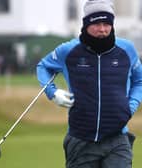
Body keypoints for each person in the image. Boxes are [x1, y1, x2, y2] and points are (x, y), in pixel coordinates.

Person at [36, 0, 142, 167]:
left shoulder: (126, 50)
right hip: (80, 140)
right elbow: (43, 66)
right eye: (97, 23)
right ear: (86, 24)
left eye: (107, 23)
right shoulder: (69, 50)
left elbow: (139, 80)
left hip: (118, 139)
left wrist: (131, 105)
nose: (102, 29)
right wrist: (52, 92)